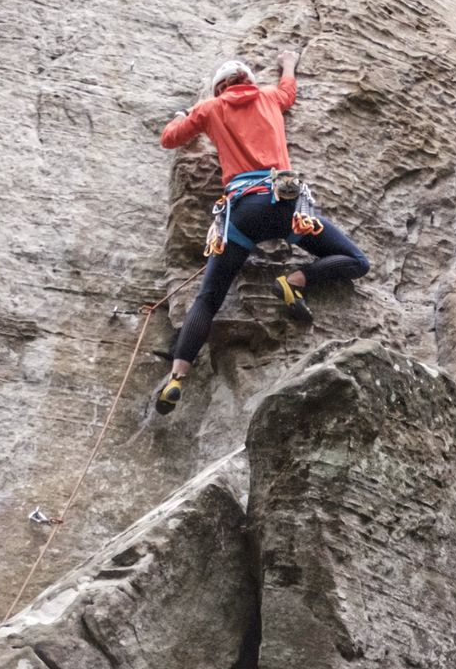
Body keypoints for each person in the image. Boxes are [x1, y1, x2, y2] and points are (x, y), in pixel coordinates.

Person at [153, 49, 368, 413]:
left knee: (209, 297)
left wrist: (183, 117)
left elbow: (170, 138)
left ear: (220, 88)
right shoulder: (268, 97)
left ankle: (176, 377)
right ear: (249, 81)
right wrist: (287, 64)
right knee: (355, 260)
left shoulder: (210, 109)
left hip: (240, 213)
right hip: (283, 204)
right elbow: (288, 92)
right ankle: (296, 280)